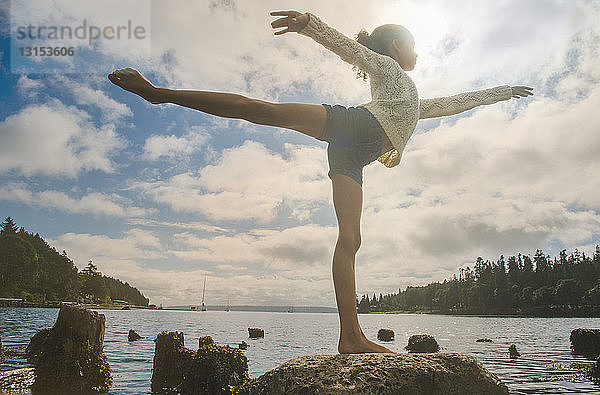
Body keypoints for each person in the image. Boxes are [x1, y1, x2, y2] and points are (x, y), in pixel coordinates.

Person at [108, 10, 533, 354]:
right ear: (398, 46)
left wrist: (501, 91)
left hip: (353, 153)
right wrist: (310, 25)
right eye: (415, 46)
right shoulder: (387, 66)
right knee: (266, 111)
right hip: (352, 125)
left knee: (351, 238)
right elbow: (349, 48)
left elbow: (455, 103)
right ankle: (159, 93)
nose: (417, 54)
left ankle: (350, 337)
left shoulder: (413, 97)